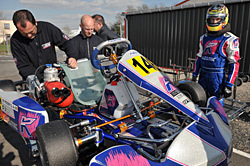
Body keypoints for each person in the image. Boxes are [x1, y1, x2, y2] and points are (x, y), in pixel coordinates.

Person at [11, 9, 77, 81]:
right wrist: (39, 81)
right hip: (33, 80)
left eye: (31, 31)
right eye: (24, 34)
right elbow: (24, 66)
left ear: (35, 22)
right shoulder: (16, 41)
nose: (29, 35)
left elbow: (67, 43)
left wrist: (72, 57)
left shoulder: (48, 28)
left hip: (53, 76)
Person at [192, 4, 240, 100]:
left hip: (218, 77)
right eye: (211, 19)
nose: (213, 21)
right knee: (200, 99)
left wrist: (229, 85)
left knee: (216, 103)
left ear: (223, 19)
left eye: (217, 19)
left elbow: (234, 63)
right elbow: (199, 58)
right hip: (203, 75)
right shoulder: (203, 38)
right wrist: (194, 75)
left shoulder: (230, 39)